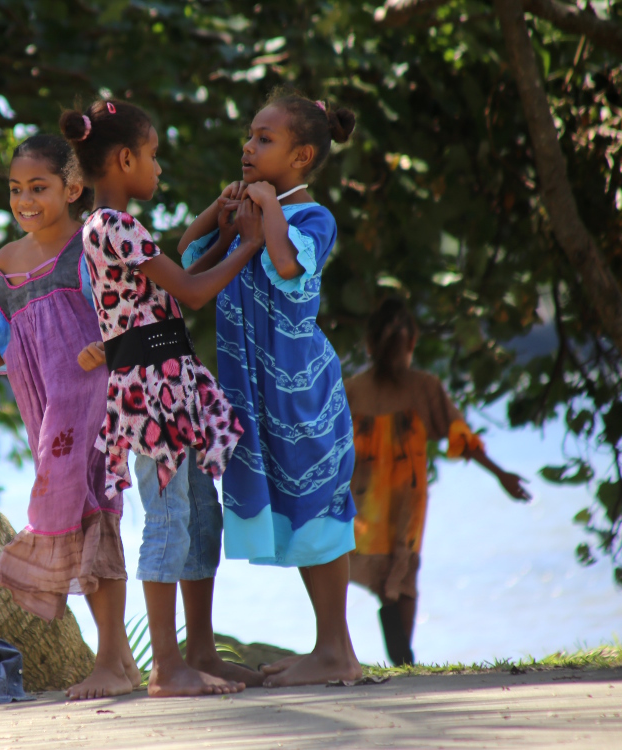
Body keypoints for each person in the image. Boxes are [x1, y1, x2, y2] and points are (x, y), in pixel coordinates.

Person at [61, 99, 265, 697]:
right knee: (170, 516)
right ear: (124, 159)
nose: (158, 169)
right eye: (152, 157)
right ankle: (167, 666)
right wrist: (249, 244)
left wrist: (224, 230)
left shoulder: (114, 228)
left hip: (169, 381)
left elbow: (182, 276)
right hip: (152, 391)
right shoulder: (114, 227)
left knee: (201, 513)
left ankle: (200, 650)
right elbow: (196, 293)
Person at [0, 135, 137, 700]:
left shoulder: (87, 246)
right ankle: (118, 660)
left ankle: (109, 662)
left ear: (73, 188)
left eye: (39, 187)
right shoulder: (4, 265)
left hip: (92, 401)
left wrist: (111, 351)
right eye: (16, 189)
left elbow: (124, 314)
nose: (25, 199)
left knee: (97, 512)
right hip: (47, 414)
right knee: (78, 519)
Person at [178, 90, 363, 687]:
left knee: (319, 509)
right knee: (295, 511)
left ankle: (337, 650)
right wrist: (219, 213)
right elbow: (187, 260)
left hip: (300, 395)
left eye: (264, 139)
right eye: (250, 135)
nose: (248, 147)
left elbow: (286, 265)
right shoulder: (249, 216)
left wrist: (266, 214)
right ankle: (328, 649)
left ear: (302, 156)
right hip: (253, 398)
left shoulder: (311, 219)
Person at [343, 297, 531, 666]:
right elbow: (460, 437)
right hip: (405, 504)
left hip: (362, 503)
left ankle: (383, 657)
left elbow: (327, 448)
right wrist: (500, 474)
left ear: (368, 345)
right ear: (412, 343)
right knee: (403, 575)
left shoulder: (354, 389)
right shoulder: (423, 387)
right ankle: (402, 660)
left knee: (375, 575)